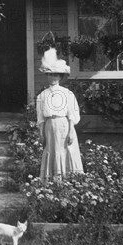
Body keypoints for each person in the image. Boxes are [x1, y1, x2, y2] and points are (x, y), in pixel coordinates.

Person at [36, 48, 84, 182]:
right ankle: (51, 181)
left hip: (64, 126)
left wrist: (70, 132)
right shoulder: (42, 95)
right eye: (50, 75)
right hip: (49, 127)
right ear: (47, 76)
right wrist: (41, 133)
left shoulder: (67, 93)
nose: (53, 78)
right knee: (51, 151)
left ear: (60, 77)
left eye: (56, 75)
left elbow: (72, 115)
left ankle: (67, 180)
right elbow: (40, 118)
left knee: (64, 151)